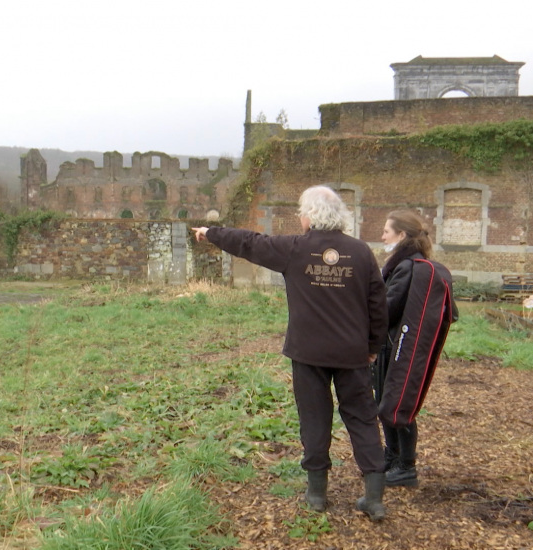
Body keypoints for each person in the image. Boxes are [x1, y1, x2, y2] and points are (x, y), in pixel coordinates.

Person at [193, 185, 389, 521]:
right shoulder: (360, 253)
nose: (300, 217)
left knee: (314, 418)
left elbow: (249, 243)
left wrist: (212, 233)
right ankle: (374, 498)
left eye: (301, 212)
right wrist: (371, 348)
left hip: (309, 353)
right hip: (352, 354)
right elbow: (378, 306)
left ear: (310, 216)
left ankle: (316, 495)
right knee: (362, 417)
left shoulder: (295, 249)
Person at [376, 210, 458, 488]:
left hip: (396, 347)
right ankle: (392, 456)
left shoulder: (407, 266)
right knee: (388, 402)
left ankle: (406, 466)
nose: (383, 236)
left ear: (401, 235)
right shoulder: (406, 264)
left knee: (399, 403)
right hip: (393, 345)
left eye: (387, 231)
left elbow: (388, 309)